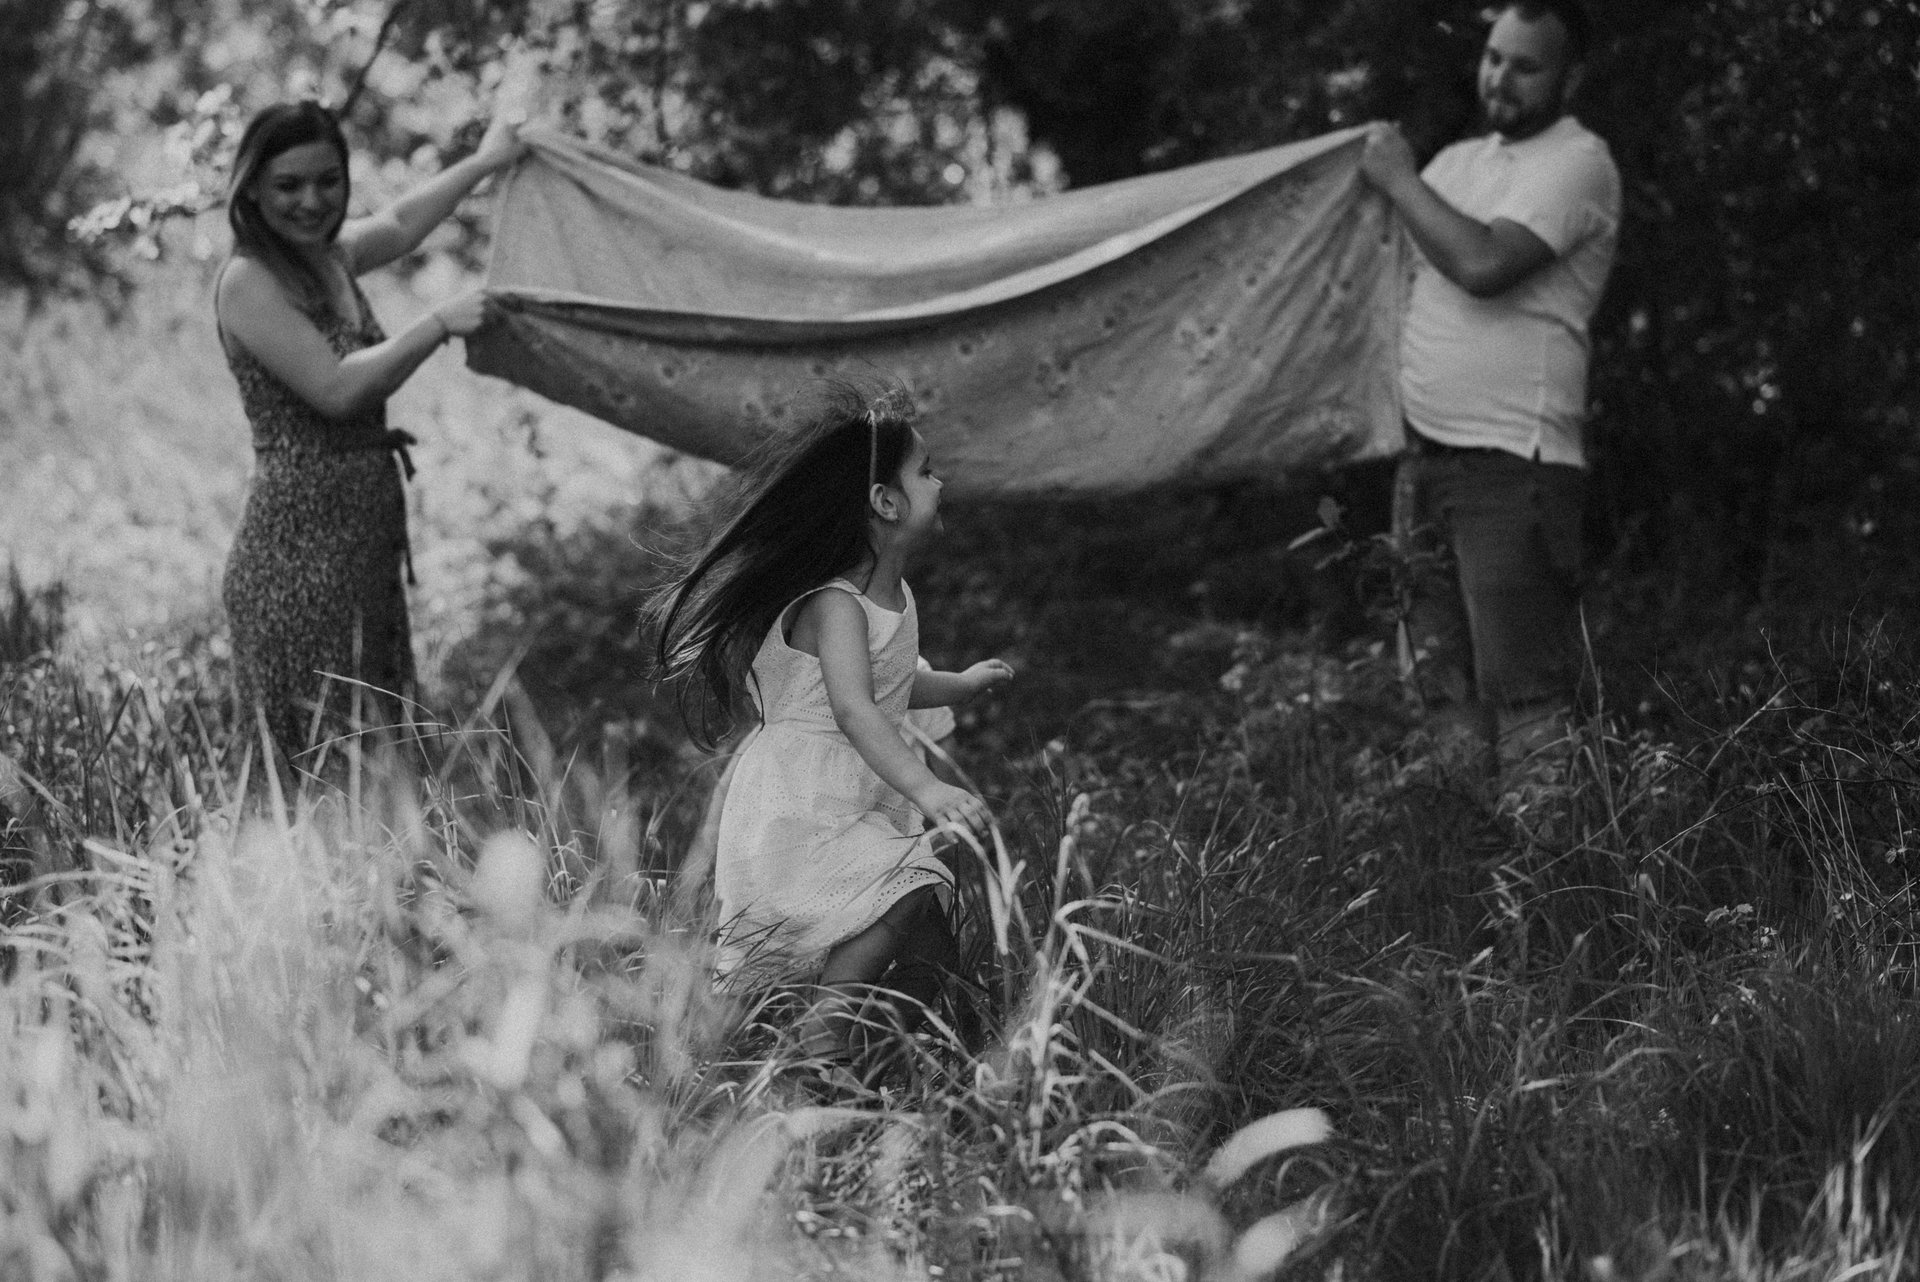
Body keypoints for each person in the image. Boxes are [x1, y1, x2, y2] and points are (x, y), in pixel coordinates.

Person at [653, 393, 1013, 1088]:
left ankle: (866, 1064)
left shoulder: (892, 599)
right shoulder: (836, 605)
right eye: (925, 471)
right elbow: (854, 709)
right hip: (803, 797)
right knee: (908, 882)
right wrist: (928, 787)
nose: (940, 481)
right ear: (885, 502)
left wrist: (961, 684)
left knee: (930, 951)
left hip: (846, 794)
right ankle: (820, 1045)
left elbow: (894, 685)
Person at [215, 100, 526, 777]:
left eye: (328, 180)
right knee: (316, 753)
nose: (312, 201)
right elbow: (337, 389)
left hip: (361, 536)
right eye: (288, 185)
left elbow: (403, 222)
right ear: (252, 188)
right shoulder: (248, 281)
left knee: (374, 744)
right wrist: (437, 324)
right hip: (293, 551)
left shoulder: (328, 258)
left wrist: (486, 161)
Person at [1358, 0, 1620, 781]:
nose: (1500, 78)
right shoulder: (1456, 165)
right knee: (1442, 701)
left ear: (1571, 77)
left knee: (1528, 701)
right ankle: (1468, 861)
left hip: (1514, 469)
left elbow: (1482, 264)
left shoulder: (1578, 163)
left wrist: (1398, 177)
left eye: (1526, 66)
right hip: (1423, 465)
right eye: (1494, 57)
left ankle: (1550, 862)